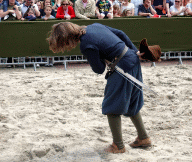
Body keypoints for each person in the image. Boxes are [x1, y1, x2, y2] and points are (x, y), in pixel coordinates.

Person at [47, 22, 155, 153]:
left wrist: (100, 58)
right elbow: (121, 33)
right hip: (133, 60)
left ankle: (118, 146)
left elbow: (99, 69)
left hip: (122, 68)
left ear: (66, 38)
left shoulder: (86, 45)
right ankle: (143, 137)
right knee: (132, 102)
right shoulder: (94, 26)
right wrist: (135, 51)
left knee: (112, 106)